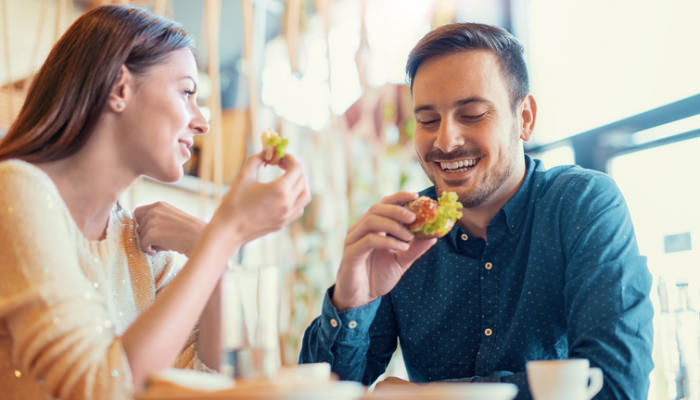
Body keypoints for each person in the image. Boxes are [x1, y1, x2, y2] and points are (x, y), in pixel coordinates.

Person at [299, 22, 653, 399]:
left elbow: (615, 385)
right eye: (427, 120)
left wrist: (427, 396)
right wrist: (353, 302)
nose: (445, 141)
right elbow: (322, 393)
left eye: (471, 115)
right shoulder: (400, 235)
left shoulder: (582, 205)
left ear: (526, 118)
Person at [0, 5, 310, 400]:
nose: (203, 123)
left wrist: (214, 255)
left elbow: (209, 380)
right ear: (119, 88)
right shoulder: (15, 191)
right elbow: (99, 388)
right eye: (186, 92)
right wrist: (224, 234)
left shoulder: (138, 243)